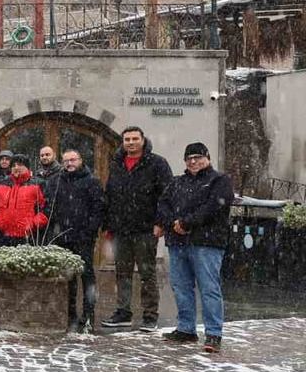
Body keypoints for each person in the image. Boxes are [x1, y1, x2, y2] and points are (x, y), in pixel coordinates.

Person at [156, 142, 234, 353]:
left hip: (206, 243)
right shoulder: (176, 182)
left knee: (209, 288)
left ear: (207, 158)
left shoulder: (219, 180)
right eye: (189, 158)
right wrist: (173, 222)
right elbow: (163, 204)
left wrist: (187, 223)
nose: (193, 161)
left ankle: (213, 333)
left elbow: (213, 207)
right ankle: (186, 328)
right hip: (177, 243)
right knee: (181, 287)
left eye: (198, 157)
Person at [101, 127, 174, 332]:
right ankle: (123, 312)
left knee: (147, 273)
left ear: (143, 140)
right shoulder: (117, 164)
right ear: (123, 142)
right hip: (120, 229)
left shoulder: (157, 163)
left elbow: (166, 196)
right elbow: (111, 195)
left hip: (145, 229)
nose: (131, 142)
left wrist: (161, 222)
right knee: (122, 273)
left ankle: (150, 316)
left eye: (135, 139)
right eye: (127, 139)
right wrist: (108, 225)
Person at [45, 149, 105, 332]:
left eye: (73, 160)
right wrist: (54, 232)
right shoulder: (56, 182)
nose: (69, 163)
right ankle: (70, 313)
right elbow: (50, 207)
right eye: (66, 161)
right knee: (67, 277)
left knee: (87, 276)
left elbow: (98, 209)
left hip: (83, 238)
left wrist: (89, 231)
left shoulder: (92, 182)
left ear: (80, 160)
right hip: (62, 238)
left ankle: (88, 314)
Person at [0, 156, 49, 245]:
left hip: (28, 238)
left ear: (27, 168)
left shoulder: (38, 184)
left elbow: (46, 209)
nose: (16, 168)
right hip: (3, 237)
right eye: (13, 165)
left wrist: (33, 224)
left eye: (20, 165)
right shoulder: (1, 184)